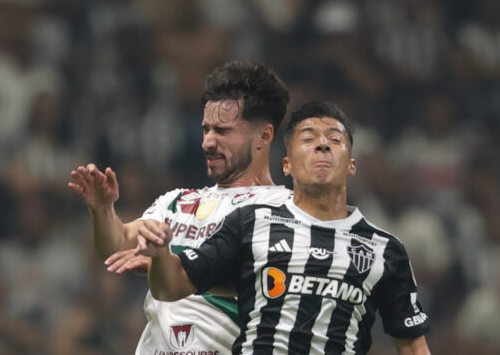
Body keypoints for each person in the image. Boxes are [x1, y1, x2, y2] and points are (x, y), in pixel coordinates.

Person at [136, 101, 432, 355]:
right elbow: (171, 286)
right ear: (287, 164)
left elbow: (413, 347)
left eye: (335, 139)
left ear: (351, 165)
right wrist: (161, 254)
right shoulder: (251, 222)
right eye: (308, 138)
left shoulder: (384, 249)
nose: (322, 144)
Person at [68, 61, 292, 355]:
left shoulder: (286, 212)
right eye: (206, 129)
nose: (207, 142)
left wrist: (173, 267)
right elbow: (116, 245)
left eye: (223, 131)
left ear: (264, 136)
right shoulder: (177, 202)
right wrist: (103, 210)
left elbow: (280, 292)